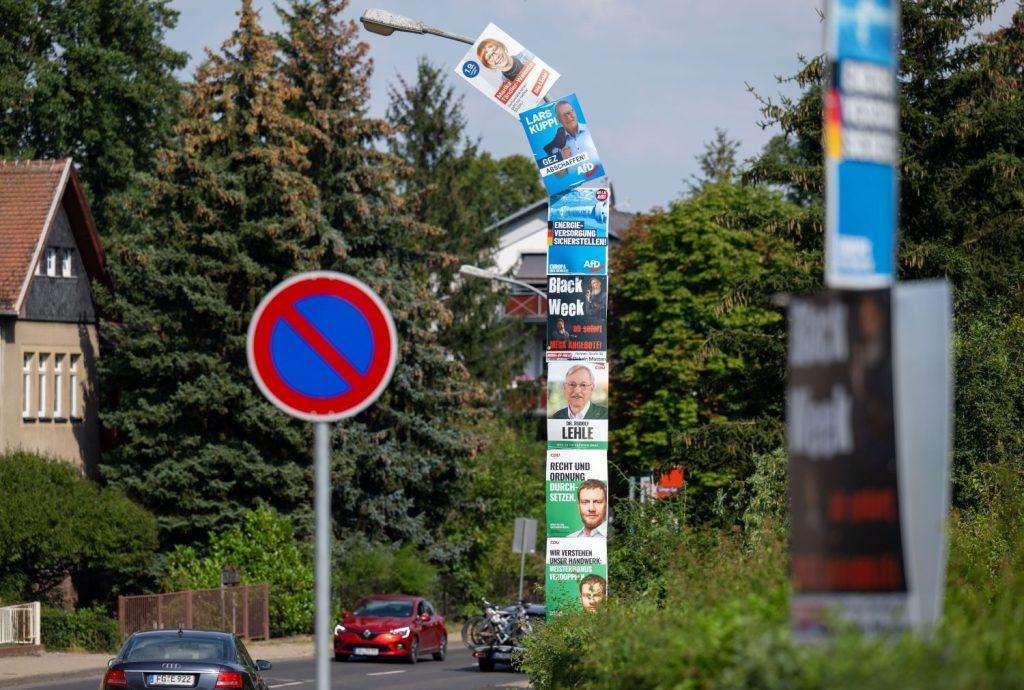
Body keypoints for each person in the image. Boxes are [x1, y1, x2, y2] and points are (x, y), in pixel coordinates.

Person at [547, 99, 601, 178]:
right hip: (581, 183)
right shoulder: (558, 144)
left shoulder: (589, 130)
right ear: (559, 120)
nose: (571, 116)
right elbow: (558, 175)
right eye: (566, 114)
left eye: (572, 111)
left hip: (601, 177)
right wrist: (563, 160)